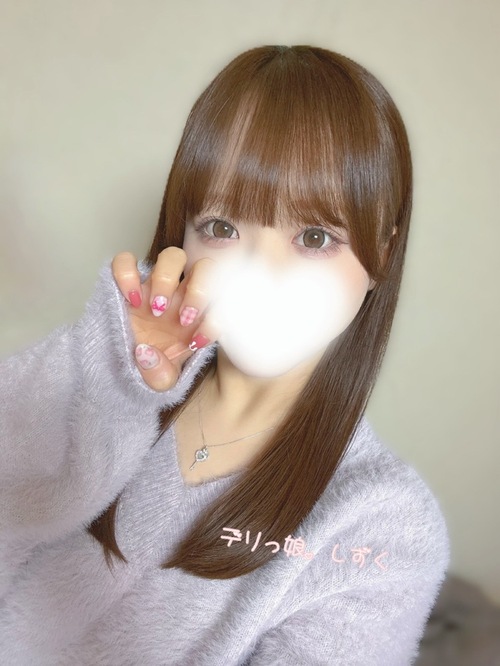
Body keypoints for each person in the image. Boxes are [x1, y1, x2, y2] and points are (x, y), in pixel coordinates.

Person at [0, 45, 450, 665]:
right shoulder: (105, 370)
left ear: (383, 253)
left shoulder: (382, 524)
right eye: (221, 228)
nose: (261, 271)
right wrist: (111, 380)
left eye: (313, 236)